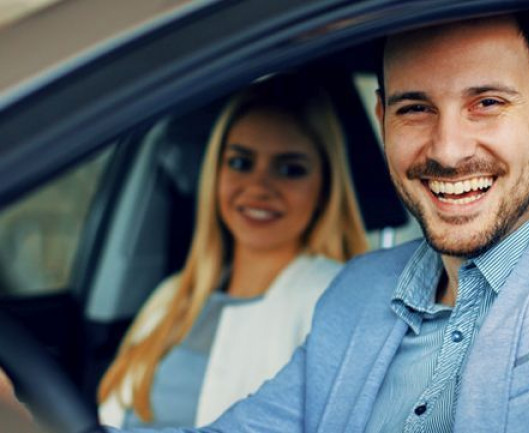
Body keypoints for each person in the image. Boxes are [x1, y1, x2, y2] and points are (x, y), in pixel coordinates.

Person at [0, 12, 529, 433]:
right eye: (414, 108)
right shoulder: (352, 301)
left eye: (488, 103)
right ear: (383, 128)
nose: (448, 148)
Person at [95, 76, 368, 428]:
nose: (258, 187)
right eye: (240, 163)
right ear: (215, 172)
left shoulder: (333, 300)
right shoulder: (172, 296)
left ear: (326, 187)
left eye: (289, 169)